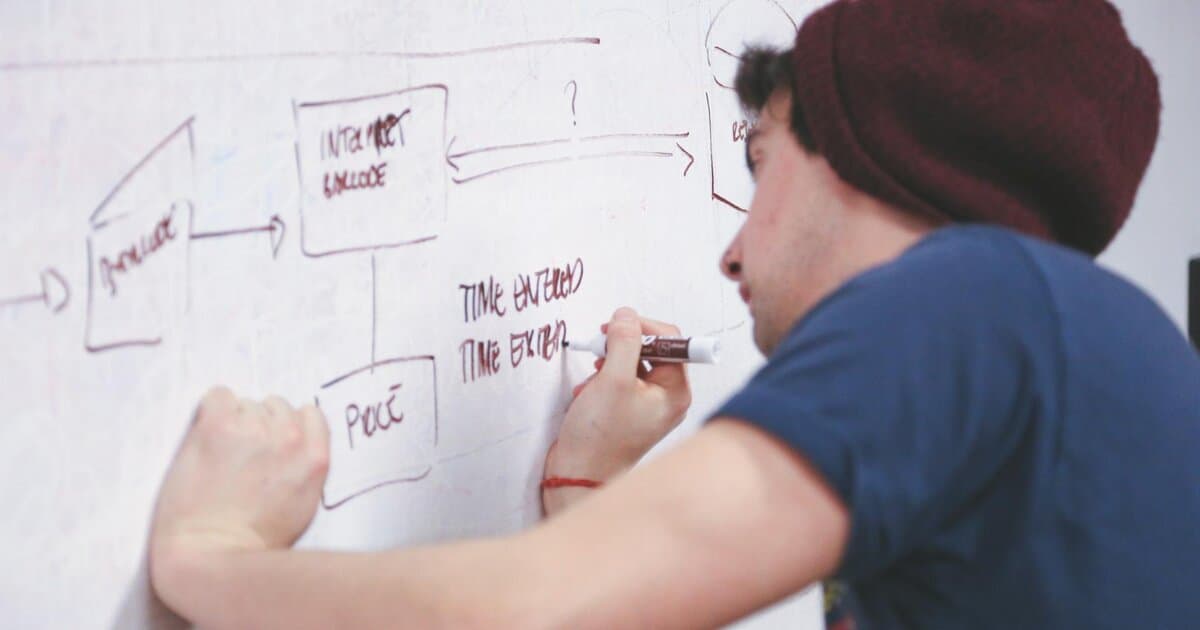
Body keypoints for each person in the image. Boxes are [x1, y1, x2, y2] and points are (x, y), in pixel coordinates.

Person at [148, 1, 1200, 627]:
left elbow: (530, 614)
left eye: (760, 163)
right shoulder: (1067, 345)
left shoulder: (966, 303)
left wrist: (211, 557)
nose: (730, 251)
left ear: (866, 155)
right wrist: (588, 489)